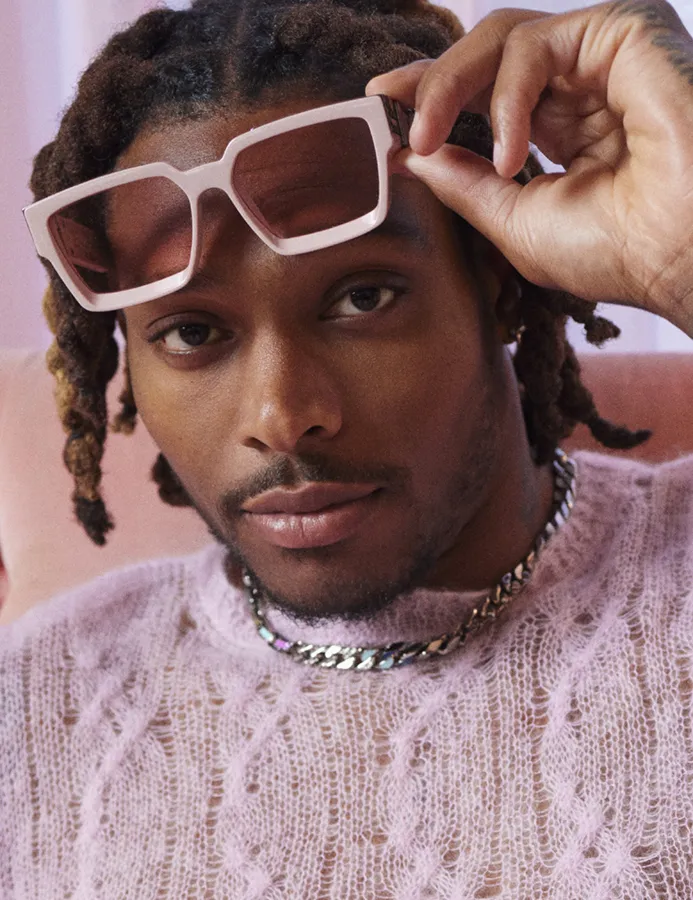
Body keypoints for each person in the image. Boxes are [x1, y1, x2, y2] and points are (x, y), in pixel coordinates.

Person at [2, 0, 693, 895]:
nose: (283, 416)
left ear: (497, 282)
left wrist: (681, 257)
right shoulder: (36, 704)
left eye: (362, 297)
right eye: (191, 332)